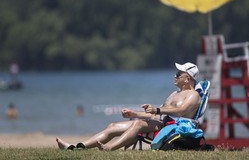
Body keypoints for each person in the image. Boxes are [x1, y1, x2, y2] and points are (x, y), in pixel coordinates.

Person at [56, 62, 200, 151]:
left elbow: (181, 111)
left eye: (178, 74)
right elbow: (157, 114)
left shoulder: (193, 95)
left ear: (187, 78)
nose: (175, 76)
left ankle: (109, 148)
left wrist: (156, 110)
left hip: (175, 127)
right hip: (162, 122)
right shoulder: (174, 93)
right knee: (112, 125)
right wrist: (134, 113)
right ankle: (76, 147)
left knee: (137, 125)